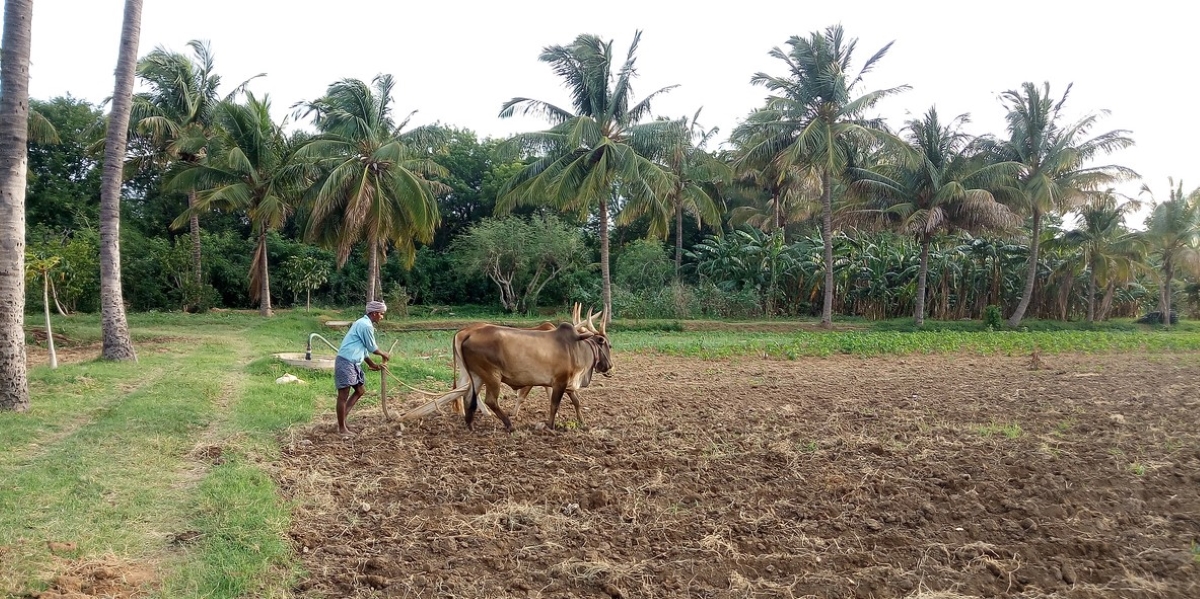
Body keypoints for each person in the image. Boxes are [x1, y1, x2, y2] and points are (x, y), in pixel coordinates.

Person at [334, 300, 390, 435]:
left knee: (360, 390)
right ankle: (342, 428)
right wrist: (384, 354)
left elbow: (364, 349)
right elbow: (372, 348)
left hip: (352, 363)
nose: (382, 317)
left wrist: (371, 364)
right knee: (343, 396)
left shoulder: (362, 323)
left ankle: (342, 421)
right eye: (381, 314)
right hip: (346, 362)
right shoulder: (365, 326)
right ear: (375, 313)